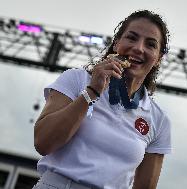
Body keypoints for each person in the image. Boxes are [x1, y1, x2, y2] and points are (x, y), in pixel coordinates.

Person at [33, 9, 172, 189]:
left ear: (159, 58)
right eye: (131, 38)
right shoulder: (77, 79)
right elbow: (43, 143)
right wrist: (92, 91)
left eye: (151, 44)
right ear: (116, 43)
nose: (139, 48)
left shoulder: (159, 120)